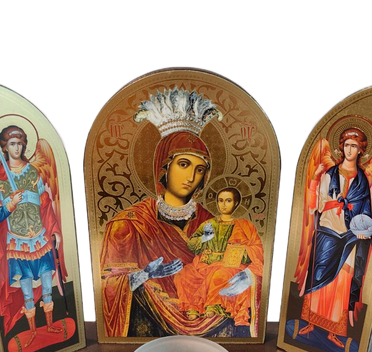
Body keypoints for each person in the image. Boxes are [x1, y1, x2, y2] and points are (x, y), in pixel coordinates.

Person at [99, 89, 225, 337]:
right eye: (184, 164)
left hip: (207, 324)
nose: (191, 177)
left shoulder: (212, 223)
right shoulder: (129, 225)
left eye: (200, 169)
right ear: (163, 166)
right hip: (148, 332)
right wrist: (144, 275)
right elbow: (109, 287)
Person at [0, 125, 66, 347]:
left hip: (40, 238)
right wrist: (9, 204)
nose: (17, 148)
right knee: (27, 289)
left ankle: (49, 325)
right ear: (4, 147)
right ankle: (32, 331)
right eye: (12, 144)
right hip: (18, 242)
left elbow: (45, 205)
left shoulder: (33, 173)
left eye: (20, 143)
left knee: (47, 283)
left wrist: (54, 230)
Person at [297, 127, 372, 348]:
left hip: (349, 237)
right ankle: (311, 322)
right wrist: (316, 181)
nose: (349, 150)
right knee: (319, 276)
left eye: (354, 146)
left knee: (342, 280)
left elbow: (366, 212)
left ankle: (334, 331)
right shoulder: (329, 175)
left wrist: (362, 229)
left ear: (361, 150)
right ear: (341, 147)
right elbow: (315, 205)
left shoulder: (362, 181)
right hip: (327, 231)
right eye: (347, 145)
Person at [173, 187, 264, 336]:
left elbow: (257, 248)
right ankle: (193, 307)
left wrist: (241, 251)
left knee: (219, 275)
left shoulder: (245, 225)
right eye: (220, 200)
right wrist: (205, 238)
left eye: (228, 201)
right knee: (183, 275)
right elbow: (192, 244)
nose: (224, 205)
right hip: (204, 263)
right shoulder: (209, 224)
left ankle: (213, 305)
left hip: (228, 265)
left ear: (236, 203)